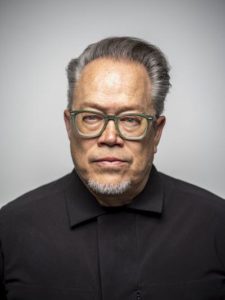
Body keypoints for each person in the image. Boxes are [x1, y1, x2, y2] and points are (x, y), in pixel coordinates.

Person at [0, 37, 225, 300]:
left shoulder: (217, 226)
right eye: (91, 117)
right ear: (69, 126)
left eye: (131, 119)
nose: (109, 137)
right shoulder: (9, 230)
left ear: (156, 133)